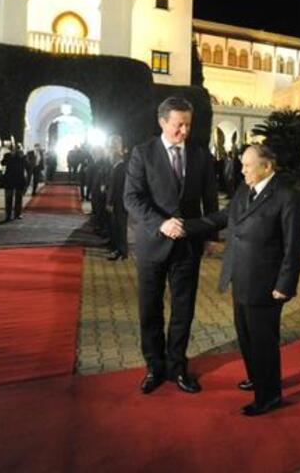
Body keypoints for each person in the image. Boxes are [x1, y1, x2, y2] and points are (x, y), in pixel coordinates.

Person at [183, 144, 300, 416]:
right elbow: (224, 217)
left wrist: (285, 284)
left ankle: (269, 395)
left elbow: (294, 245)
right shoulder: (244, 190)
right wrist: (186, 226)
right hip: (241, 276)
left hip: (267, 282)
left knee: (263, 341)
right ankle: (256, 377)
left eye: (248, 165)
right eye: (242, 164)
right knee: (246, 336)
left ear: (267, 167)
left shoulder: (286, 196)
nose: (242, 170)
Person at [124, 96, 218, 395]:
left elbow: (210, 200)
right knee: (150, 309)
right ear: (163, 122)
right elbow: (132, 198)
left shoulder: (200, 155)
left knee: (183, 309)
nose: (184, 132)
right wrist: (160, 223)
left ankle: (177, 366)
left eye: (188, 125)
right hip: (153, 243)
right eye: (179, 125)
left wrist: (212, 236)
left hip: (188, 246)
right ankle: (154, 366)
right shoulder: (143, 153)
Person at [106, 135, 129, 261]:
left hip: (120, 202)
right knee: (117, 226)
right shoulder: (116, 167)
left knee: (121, 227)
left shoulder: (121, 168)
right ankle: (118, 250)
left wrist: (111, 202)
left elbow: (117, 188)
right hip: (118, 202)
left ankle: (122, 251)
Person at [1, 144, 27, 222]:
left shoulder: (23, 156)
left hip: (19, 179)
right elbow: (3, 163)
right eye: (16, 148)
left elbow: (27, 166)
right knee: (9, 198)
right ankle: (8, 215)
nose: (17, 150)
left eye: (18, 148)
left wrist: (22, 156)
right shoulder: (8, 155)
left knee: (18, 197)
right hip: (9, 179)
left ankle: (17, 214)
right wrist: (10, 156)